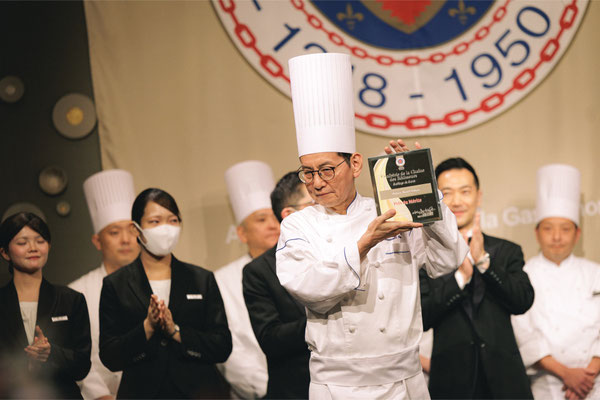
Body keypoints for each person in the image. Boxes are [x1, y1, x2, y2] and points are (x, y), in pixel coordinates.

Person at [276, 52, 468, 399]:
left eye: (326, 170)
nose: (316, 182)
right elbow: (308, 288)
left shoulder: (390, 212)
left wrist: (424, 191)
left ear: (355, 164)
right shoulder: (298, 226)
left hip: (403, 382)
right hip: (335, 386)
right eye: (308, 172)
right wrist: (365, 243)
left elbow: (447, 261)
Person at [99, 188, 232, 398]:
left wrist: (176, 331)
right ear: (136, 229)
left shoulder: (201, 279)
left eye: (173, 220)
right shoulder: (116, 284)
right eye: (155, 221)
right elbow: (110, 356)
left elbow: (222, 346)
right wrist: (147, 327)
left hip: (200, 391)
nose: (166, 229)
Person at [419, 157, 534, 399]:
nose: (456, 201)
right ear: (434, 198)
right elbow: (423, 316)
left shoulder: (506, 251)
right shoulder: (424, 255)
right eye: (446, 193)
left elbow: (522, 300)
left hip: (506, 384)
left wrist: (483, 262)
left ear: (478, 196)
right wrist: (461, 276)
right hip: (450, 385)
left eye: (465, 191)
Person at [512, 164, 600, 400]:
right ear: (537, 233)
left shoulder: (596, 273)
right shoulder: (522, 277)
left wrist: (586, 377)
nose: (557, 237)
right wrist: (567, 374)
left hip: (595, 385)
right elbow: (524, 337)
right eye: (548, 229)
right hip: (547, 387)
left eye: (565, 229)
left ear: (577, 234)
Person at [0, 212, 91, 398]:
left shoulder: (71, 300)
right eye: (22, 243)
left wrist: (51, 353)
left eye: (40, 241)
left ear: (48, 246)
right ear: (5, 252)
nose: (33, 248)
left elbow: (82, 366)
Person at [69, 169, 139, 399]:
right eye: (114, 232)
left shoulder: (158, 282)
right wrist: (101, 395)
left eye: (132, 230)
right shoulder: (77, 293)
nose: (126, 240)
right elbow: (79, 357)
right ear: (97, 241)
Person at [243, 171, 313, 399]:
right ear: (289, 215)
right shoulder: (259, 271)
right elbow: (270, 338)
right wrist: (325, 320)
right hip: (296, 390)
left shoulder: (342, 252)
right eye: (313, 204)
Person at [214, 160, 278, 398]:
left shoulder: (300, 266)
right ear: (241, 233)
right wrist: (267, 389)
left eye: (275, 217)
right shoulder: (222, 280)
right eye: (261, 220)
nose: (273, 225)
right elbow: (231, 349)